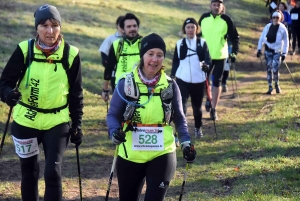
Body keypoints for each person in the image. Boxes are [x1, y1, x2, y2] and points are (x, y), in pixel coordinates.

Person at [0, 4, 83, 201]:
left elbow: (76, 93)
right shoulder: (24, 49)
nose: (50, 31)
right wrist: (8, 94)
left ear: (60, 27)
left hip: (57, 121)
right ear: (36, 28)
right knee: (29, 172)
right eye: (44, 25)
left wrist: (77, 123)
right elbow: (4, 83)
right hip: (26, 120)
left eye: (54, 25)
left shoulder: (70, 54)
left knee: (53, 173)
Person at [106, 33, 196, 201]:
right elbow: (112, 114)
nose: (155, 60)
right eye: (151, 54)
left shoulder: (170, 85)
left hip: (162, 153)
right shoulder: (125, 83)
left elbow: (180, 119)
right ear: (143, 55)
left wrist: (185, 143)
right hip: (130, 154)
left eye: (160, 55)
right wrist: (114, 131)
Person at [198, 0, 239, 120]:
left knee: (217, 82)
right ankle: (208, 98)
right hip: (205, 56)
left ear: (222, 7)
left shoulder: (227, 20)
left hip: (221, 55)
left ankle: (214, 109)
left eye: (218, 5)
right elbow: (198, 33)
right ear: (210, 6)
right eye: (214, 5)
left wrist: (234, 52)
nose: (216, 7)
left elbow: (235, 37)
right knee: (204, 81)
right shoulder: (204, 18)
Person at [171, 18, 211, 138]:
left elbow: (208, 60)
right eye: (188, 27)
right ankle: (180, 131)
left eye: (192, 27)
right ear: (184, 29)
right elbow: (175, 61)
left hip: (199, 79)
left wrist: (206, 66)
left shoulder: (202, 42)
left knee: (197, 107)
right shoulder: (179, 44)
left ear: (196, 29)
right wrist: (172, 75)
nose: (190, 30)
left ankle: (198, 128)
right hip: (182, 79)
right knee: (181, 106)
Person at [102, 13, 142, 102]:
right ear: (123, 29)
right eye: (128, 26)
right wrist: (105, 90)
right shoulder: (116, 45)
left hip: (142, 88)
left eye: (134, 26)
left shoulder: (144, 44)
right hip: (121, 87)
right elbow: (109, 68)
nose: (132, 29)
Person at [257, 10, 289, 94]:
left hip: (277, 51)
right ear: (271, 18)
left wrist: (284, 53)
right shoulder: (267, 26)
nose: (275, 19)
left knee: (275, 68)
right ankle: (270, 87)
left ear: (280, 18)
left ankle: (277, 84)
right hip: (268, 50)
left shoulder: (283, 28)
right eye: (274, 17)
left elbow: (286, 42)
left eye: (277, 17)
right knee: (269, 68)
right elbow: (261, 38)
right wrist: (259, 49)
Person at [99, 16, 124, 92]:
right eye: (121, 26)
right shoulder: (111, 39)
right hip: (115, 74)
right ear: (117, 25)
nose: (123, 29)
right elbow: (104, 52)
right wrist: (106, 61)